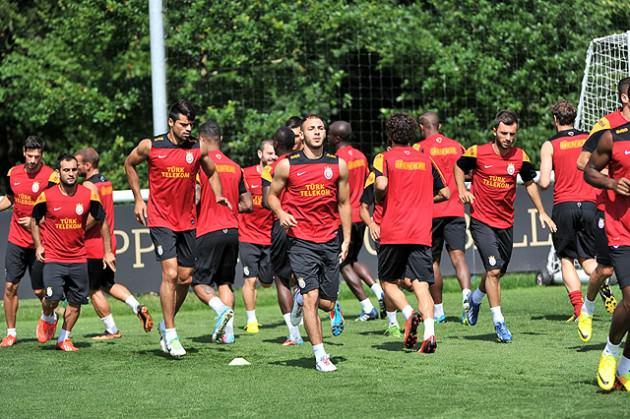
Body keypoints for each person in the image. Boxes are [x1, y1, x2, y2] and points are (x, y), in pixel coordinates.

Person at [124, 99, 228, 358]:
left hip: (187, 221)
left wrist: (218, 194)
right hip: (161, 219)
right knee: (170, 274)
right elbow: (129, 164)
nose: (188, 128)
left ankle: (164, 324)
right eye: (183, 124)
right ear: (171, 122)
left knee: (185, 277)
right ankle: (171, 334)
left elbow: (212, 172)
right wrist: (138, 199)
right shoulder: (151, 146)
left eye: (191, 124)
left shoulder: (198, 147)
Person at [454, 110, 556, 343]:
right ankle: (499, 322)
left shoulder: (520, 156)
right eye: (504, 133)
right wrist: (461, 190)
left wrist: (542, 212)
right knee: (493, 271)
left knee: (498, 271)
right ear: (494, 131)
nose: (508, 138)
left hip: (506, 223)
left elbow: (530, 183)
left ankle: (475, 300)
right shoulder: (477, 152)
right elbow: (458, 167)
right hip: (481, 221)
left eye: (512, 134)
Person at [267, 114, 351, 372]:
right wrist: (281, 213)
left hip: (330, 238)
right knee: (311, 296)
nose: (316, 132)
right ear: (301, 135)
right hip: (300, 240)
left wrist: (347, 238)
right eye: (311, 128)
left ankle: (299, 300)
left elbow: (344, 203)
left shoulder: (338, 164)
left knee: (327, 303)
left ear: (325, 133)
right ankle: (321, 355)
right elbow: (271, 196)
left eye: (320, 128)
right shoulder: (287, 165)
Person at [374, 113, 450, 354]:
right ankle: (429, 334)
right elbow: (446, 193)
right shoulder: (425, 159)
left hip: (394, 230)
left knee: (387, 281)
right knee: (421, 284)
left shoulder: (384, 158)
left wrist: (380, 197)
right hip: (420, 231)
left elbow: (381, 185)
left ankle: (408, 314)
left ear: (390, 135)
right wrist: (425, 199)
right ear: (413, 134)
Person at [31, 155, 115, 351]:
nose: (70, 174)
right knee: (52, 298)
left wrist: (108, 251)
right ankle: (48, 316)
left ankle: (64, 338)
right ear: (58, 172)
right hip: (53, 258)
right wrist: (39, 246)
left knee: (76, 302)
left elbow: (101, 220)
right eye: (66, 170)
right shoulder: (46, 196)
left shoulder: (88, 194)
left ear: (78, 171)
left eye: (74, 170)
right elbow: (34, 220)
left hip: (78, 258)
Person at [75, 147, 153, 340]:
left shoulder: (88, 185)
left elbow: (95, 216)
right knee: (108, 284)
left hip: (94, 243)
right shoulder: (106, 182)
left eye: (78, 165)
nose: (75, 169)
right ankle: (137, 306)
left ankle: (111, 330)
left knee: (93, 289)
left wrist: (75, 229)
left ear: (88, 165)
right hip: (109, 242)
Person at [576, 77, 630, 342]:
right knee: (605, 270)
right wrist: (614, 180)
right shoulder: (607, 126)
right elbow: (582, 162)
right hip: (609, 209)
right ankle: (587, 308)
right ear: (624, 98)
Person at [191, 120, 252, 344]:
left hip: (208, 230)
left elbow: (196, 197)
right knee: (225, 283)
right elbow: (248, 204)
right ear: (221, 139)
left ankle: (220, 310)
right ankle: (229, 334)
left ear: (201, 139)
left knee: (198, 282)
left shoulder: (200, 165)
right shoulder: (235, 167)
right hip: (232, 230)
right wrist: (231, 206)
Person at [538, 101, 599, 321]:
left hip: (565, 206)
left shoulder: (550, 145)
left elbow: (544, 182)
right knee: (588, 259)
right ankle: (602, 282)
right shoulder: (589, 138)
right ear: (573, 118)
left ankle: (579, 309)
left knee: (566, 258)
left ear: (555, 120)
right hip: (590, 204)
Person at [584, 114, 630, 392]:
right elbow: (589, 170)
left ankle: (625, 368)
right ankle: (610, 352)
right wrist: (612, 183)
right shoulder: (613, 137)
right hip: (621, 231)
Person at [0, 136, 58, 347]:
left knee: (40, 291)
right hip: (16, 240)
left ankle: (50, 316)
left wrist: (36, 221)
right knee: (10, 287)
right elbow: (10, 199)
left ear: (42, 155)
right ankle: (11, 333)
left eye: (37, 156)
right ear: (24, 152)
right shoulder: (12, 173)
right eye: (30, 155)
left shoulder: (52, 176)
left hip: (41, 242)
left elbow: (57, 208)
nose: (33, 160)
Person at [416, 112, 472, 324]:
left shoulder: (419, 148)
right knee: (458, 257)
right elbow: (469, 172)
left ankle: (439, 310)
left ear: (422, 127)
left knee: (433, 261)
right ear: (439, 126)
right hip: (455, 209)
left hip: (431, 211)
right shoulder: (457, 146)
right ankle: (466, 296)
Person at [330, 120, 385, 321]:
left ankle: (367, 307)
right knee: (353, 260)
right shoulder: (361, 156)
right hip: (361, 216)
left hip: (342, 218)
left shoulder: (336, 160)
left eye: (329, 134)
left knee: (342, 263)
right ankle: (379, 291)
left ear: (336, 138)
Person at [261, 126, 304, 346]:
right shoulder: (302, 163)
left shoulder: (271, 168)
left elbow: (265, 201)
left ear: (276, 145)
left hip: (281, 224)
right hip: (304, 223)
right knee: (303, 271)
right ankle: (307, 296)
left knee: (280, 277)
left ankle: (294, 334)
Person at [239, 139, 277, 334]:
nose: (273, 157)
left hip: (270, 236)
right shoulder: (245, 174)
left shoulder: (279, 175)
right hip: (247, 235)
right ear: (260, 154)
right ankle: (251, 320)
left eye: (275, 154)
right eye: (269, 153)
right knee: (250, 280)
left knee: (267, 282)